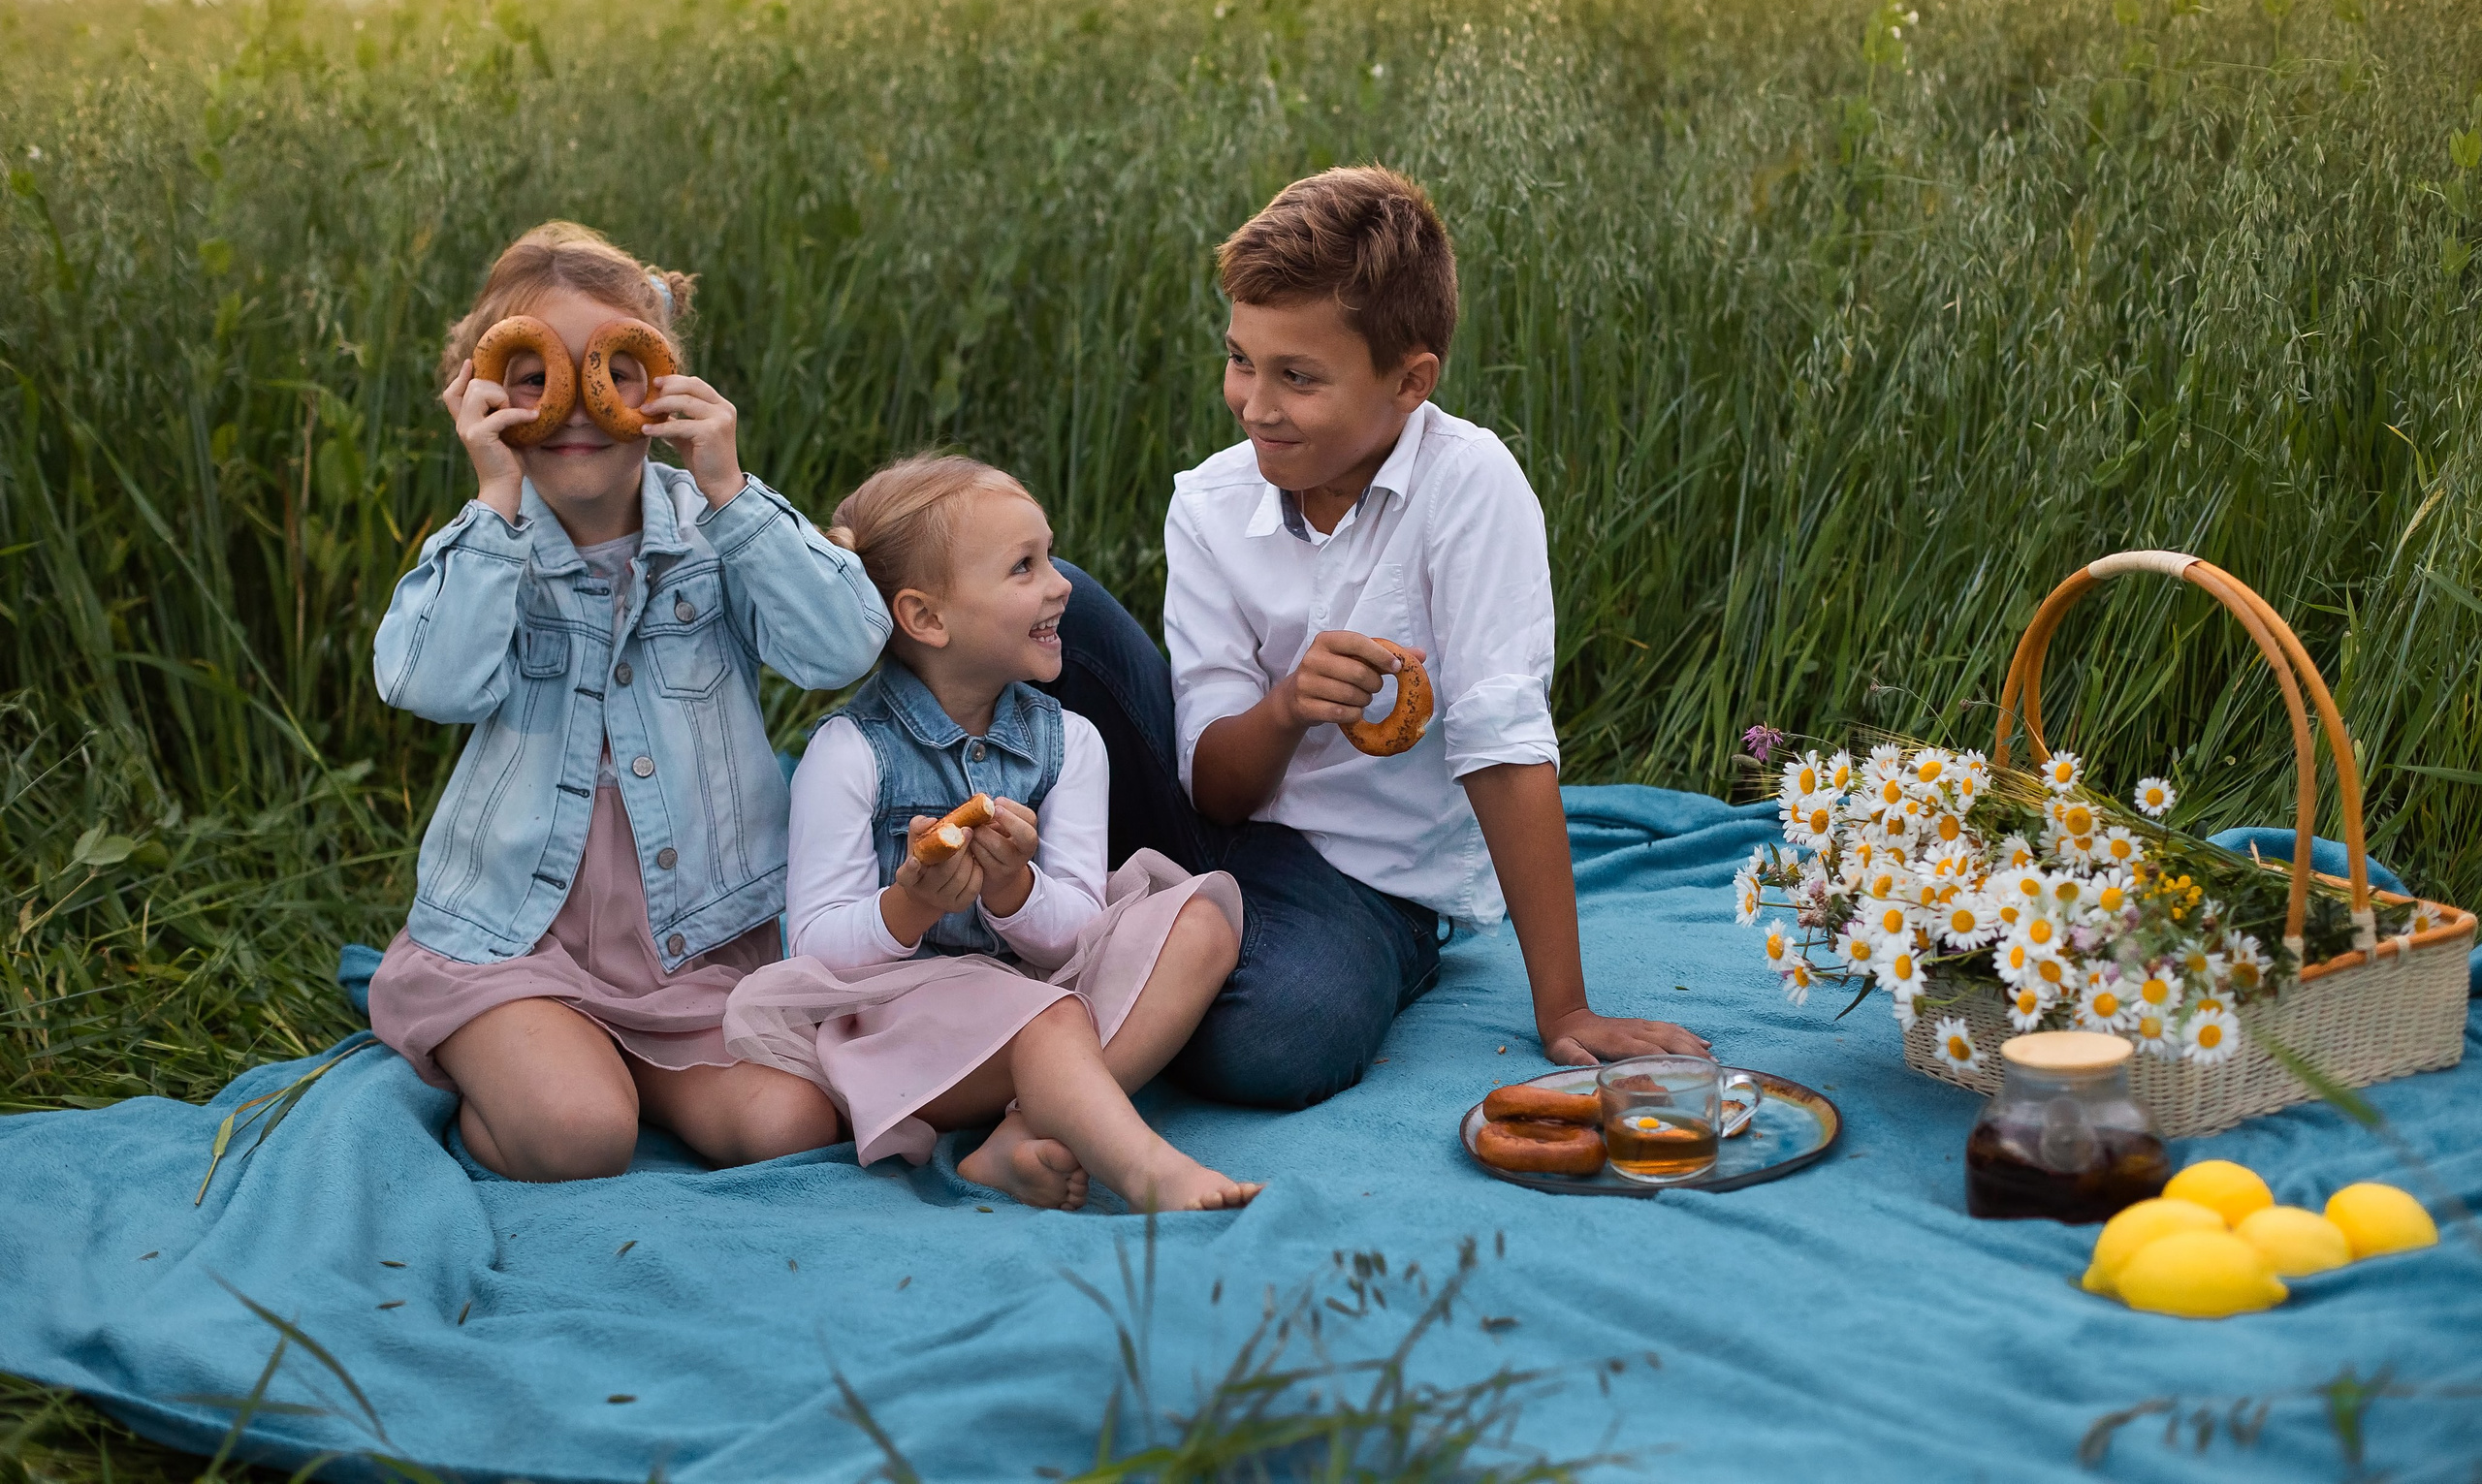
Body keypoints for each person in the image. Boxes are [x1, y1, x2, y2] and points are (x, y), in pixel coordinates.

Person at [1040, 166, 1713, 1110]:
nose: (1254, 405)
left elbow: (1502, 744)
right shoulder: (1209, 504)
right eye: (1241, 359)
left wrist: (1565, 1009)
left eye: (1298, 377)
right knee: (1041, 598)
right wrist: (1283, 711)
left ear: (1410, 382)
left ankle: (1132, 951)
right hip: (1208, 823)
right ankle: (1080, 917)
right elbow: (1212, 787)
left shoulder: (1469, 488)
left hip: (1358, 882)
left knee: (1273, 1043)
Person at [366, 221, 889, 1182]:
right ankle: (548, 1072)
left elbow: (842, 646)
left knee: (790, 1124)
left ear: (661, 386)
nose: (575, 404)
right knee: (579, 1137)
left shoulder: (715, 529)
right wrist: (493, 494)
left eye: (612, 370)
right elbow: (427, 688)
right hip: (513, 938)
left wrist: (728, 488)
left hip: (687, 950)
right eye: (534, 375)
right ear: (486, 395)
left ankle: (616, 1063)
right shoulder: (489, 547)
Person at [721, 456, 1260, 1213]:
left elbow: (1077, 926)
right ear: (926, 618)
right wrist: (907, 907)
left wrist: (1014, 889)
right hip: (906, 1028)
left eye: (1048, 554)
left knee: (1201, 923)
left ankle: (1023, 1131)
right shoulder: (848, 753)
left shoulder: (1071, 742)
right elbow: (810, 945)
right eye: (1023, 567)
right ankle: (1147, 1169)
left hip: (1041, 993)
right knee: (1049, 1019)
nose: (1062, 582)